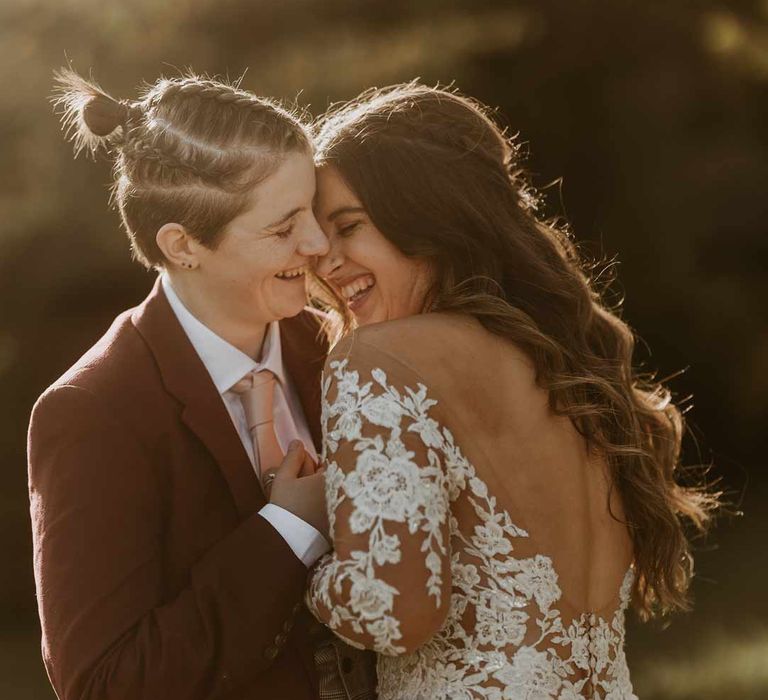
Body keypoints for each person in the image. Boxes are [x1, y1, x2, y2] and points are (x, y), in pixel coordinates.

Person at [297, 83, 719, 698]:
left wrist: (299, 550)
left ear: (428, 215)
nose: (323, 263)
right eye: (317, 237)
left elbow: (392, 606)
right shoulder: (568, 363)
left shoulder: (376, 360)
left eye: (349, 227)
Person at [28, 69, 375, 700]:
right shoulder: (92, 412)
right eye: (283, 227)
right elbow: (105, 684)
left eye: (314, 211)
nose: (319, 243)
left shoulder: (342, 346)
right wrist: (288, 532)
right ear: (183, 245)